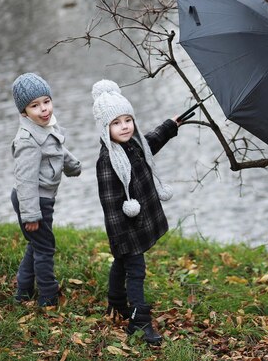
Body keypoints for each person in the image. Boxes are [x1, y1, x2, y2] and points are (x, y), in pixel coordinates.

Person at [91, 79, 181, 344]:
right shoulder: (108, 160)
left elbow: (151, 141)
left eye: (127, 120)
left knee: (122, 262)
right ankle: (139, 322)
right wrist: (122, 239)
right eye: (116, 123)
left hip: (138, 223)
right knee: (135, 269)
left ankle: (116, 301)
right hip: (126, 228)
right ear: (105, 128)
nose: (124, 126)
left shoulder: (133, 143)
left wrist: (170, 126)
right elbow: (109, 203)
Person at [10, 73, 82, 307]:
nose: (44, 109)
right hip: (33, 200)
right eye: (35, 105)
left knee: (37, 244)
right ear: (23, 112)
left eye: (46, 101)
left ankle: (22, 290)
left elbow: (56, 148)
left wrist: (73, 166)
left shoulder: (47, 126)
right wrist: (31, 214)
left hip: (42, 199)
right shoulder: (28, 141)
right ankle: (48, 297)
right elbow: (25, 180)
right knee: (45, 248)